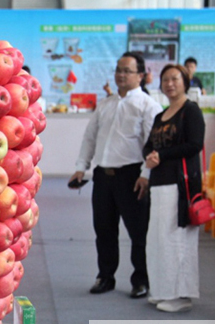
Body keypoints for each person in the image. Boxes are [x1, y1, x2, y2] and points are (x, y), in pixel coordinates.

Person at [69, 52, 163, 298]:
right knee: (104, 229)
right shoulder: (106, 104)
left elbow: (153, 144)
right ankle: (105, 276)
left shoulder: (148, 106)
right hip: (103, 176)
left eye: (127, 71)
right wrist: (82, 167)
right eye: (119, 70)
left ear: (140, 76)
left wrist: (145, 174)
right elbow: (90, 138)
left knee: (138, 231)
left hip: (132, 176)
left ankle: (141, 280)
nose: (121, 75)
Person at [142, 64, 206, 313]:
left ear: (185, 82)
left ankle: (182, 294)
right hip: (159, 184)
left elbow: (194, 144)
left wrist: (162, 154)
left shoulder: (191, 111)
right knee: (158, 240)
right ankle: (162, 290)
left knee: (178, 240)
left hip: (182, 185)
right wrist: (150, 156)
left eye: (175, 79)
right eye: (165, 79)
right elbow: (148, 145)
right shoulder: (162, 115)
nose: (170, 84)